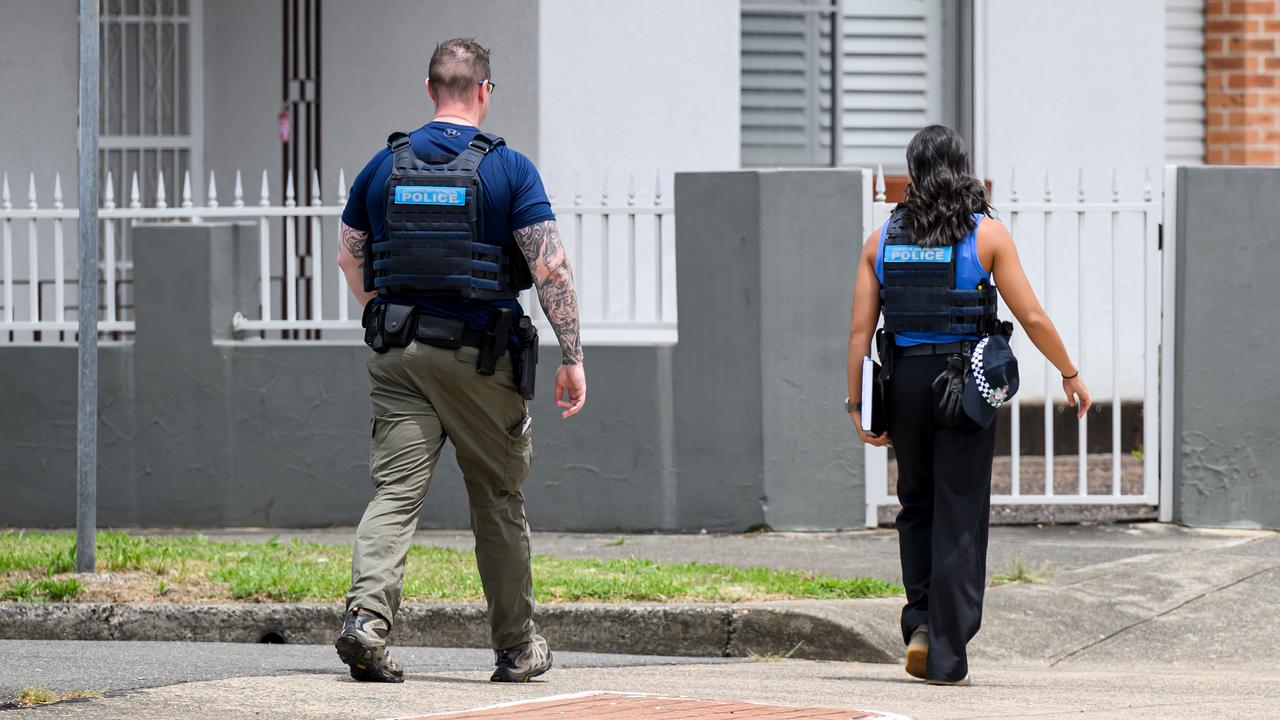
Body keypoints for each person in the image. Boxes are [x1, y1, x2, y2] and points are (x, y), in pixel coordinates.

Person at [333, 38, 586, 684]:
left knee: (394, 494)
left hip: (399, 359)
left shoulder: (381, 169)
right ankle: (515, 647)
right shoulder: (509, 171)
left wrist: (381, 312)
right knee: (497, 498)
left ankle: (366, 620)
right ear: (484, 92)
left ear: (428, 89)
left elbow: (348, 254)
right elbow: (549, 266)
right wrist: (571, 355)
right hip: (481, 362)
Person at [845, 125, 1090, 685]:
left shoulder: (880, 240)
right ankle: (947, 655)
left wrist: (857, 404)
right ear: (962, 169)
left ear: (913, 172)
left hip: (904, 383)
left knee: (916, 505)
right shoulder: (988, 235)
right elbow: (1030, 317)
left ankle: (922, 623)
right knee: (960, 512)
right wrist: (1069, 374)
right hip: (965, 384)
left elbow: (860, 332)